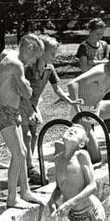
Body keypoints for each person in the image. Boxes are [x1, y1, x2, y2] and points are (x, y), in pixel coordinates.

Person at [0, 34, 46, 209]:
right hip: (4, 112)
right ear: (29, 48)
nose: (34, 62)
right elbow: (27, 93)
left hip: (11, 111)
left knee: (22, 151)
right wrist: (27, 87)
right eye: (35, 57)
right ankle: (12, 198)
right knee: (19, 154)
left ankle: (25, 191)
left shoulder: (9, 57)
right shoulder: (16, 64)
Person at [19, 35, 83, 185]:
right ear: (42, 52)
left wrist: (70, 100)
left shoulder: (49, 69)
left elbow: (57, 89)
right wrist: (30, 110)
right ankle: (28, 165)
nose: (55, 57)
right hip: (22, 103)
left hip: (33, 104)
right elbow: (22, 92)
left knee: (34, 135)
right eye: (52, 53)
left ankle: (29, 162)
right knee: (26, 135)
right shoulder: (29, 68)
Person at [48, 124, 106, 221]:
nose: (72, 130)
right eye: (69, 130)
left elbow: (92, 186)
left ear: (81, 144)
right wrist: (52, 201)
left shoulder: (81, 155)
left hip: (91, 209)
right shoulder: (57, 160)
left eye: (76, 132)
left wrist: (68, 204)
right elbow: (59, 188)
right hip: (75, 214)